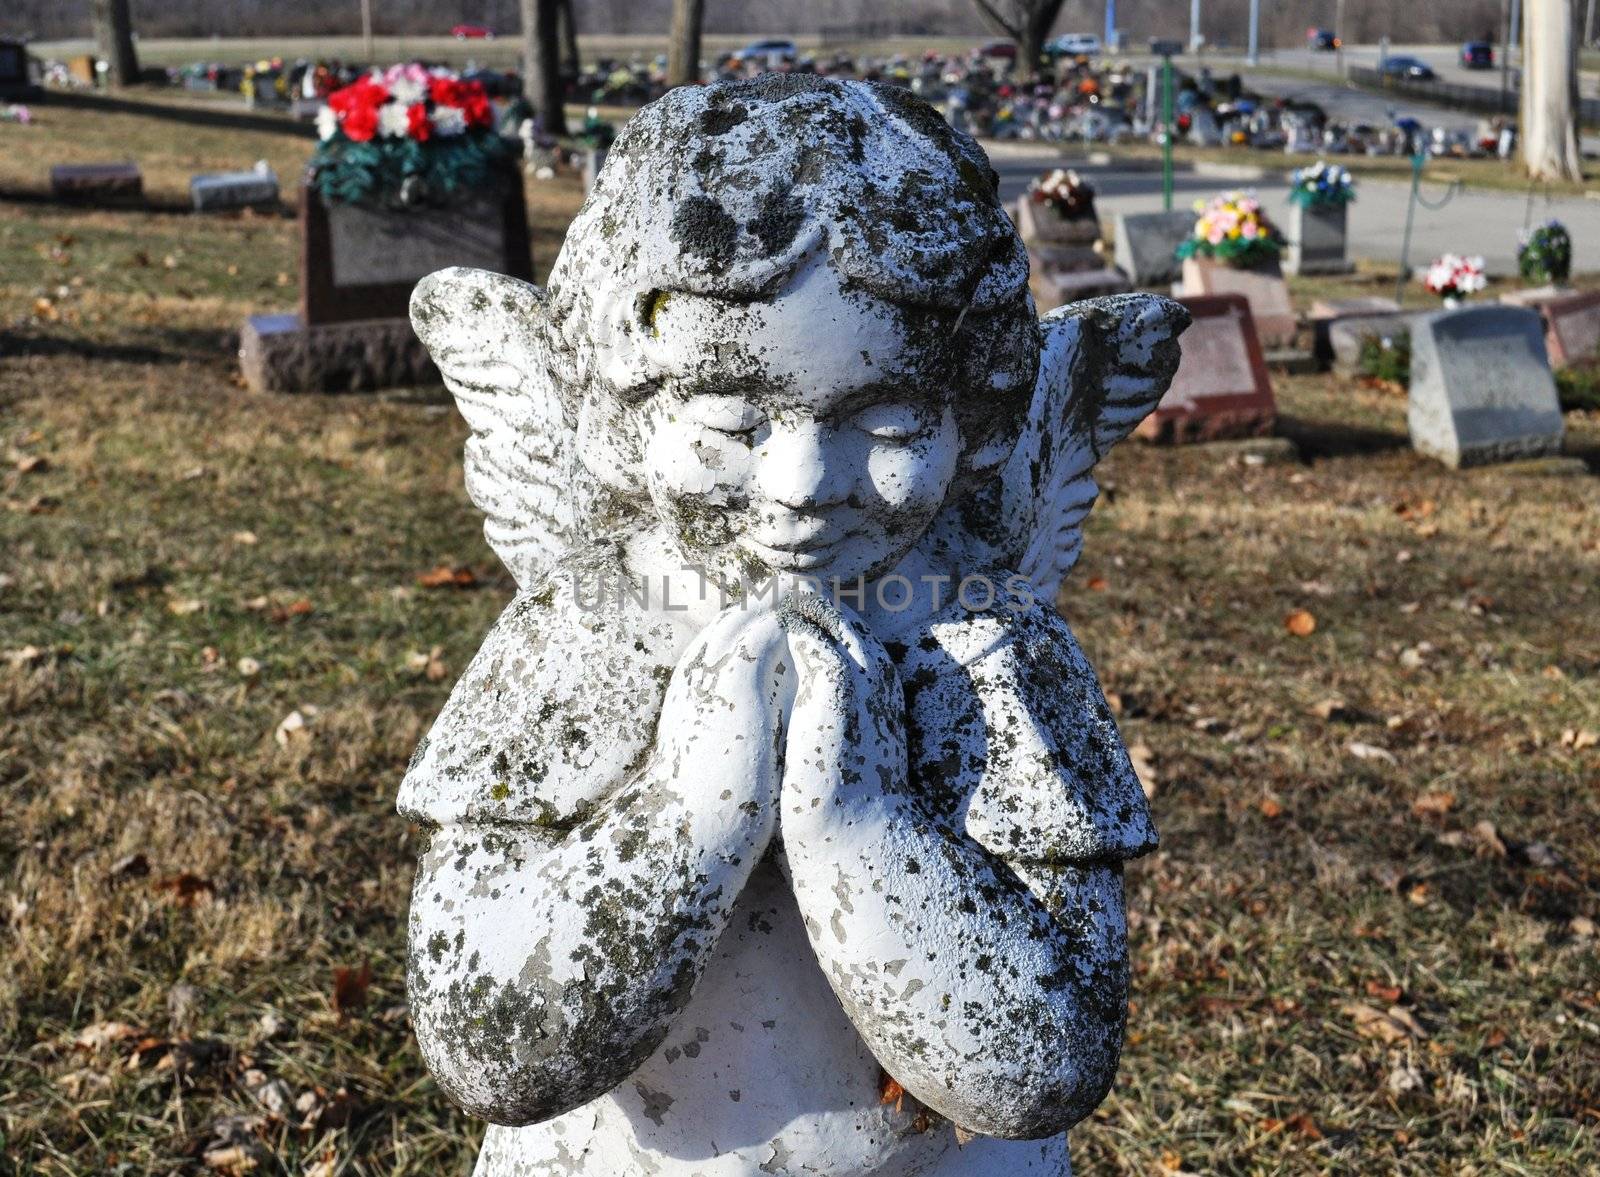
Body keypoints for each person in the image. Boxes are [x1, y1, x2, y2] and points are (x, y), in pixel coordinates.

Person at [402, 75, 1182, 1177]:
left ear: (976, 419)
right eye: (732, 419)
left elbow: (1043, 1061)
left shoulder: (988, 650)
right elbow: (486, 1047)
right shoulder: (588, 630)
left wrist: (858, 828)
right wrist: (688, 822)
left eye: (890, 420)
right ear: (620, 413)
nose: (802, 481)